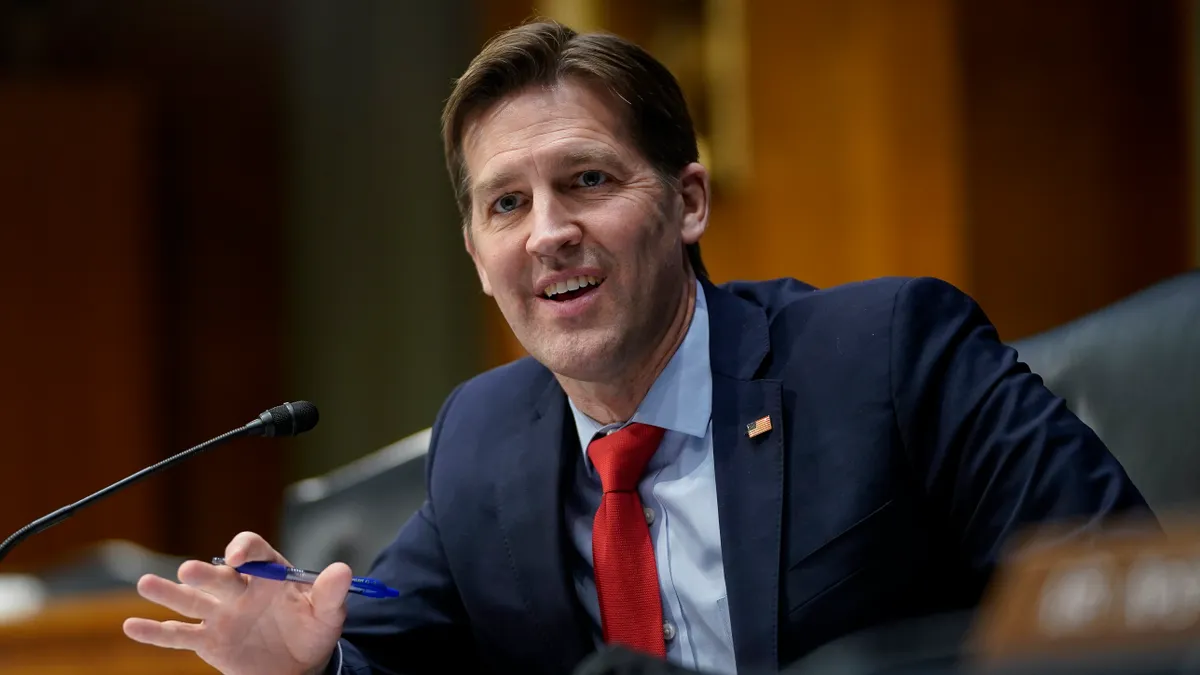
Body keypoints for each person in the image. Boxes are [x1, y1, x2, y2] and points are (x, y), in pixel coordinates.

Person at [122, 19, 1151, 675]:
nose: (547, 232)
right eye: (506, 204)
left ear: (687, 201)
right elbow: (392, 652)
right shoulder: (485, 441)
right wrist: (315, 668)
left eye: (588, 182)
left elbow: (1127, 602)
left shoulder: (884, 354)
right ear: (478, 257)